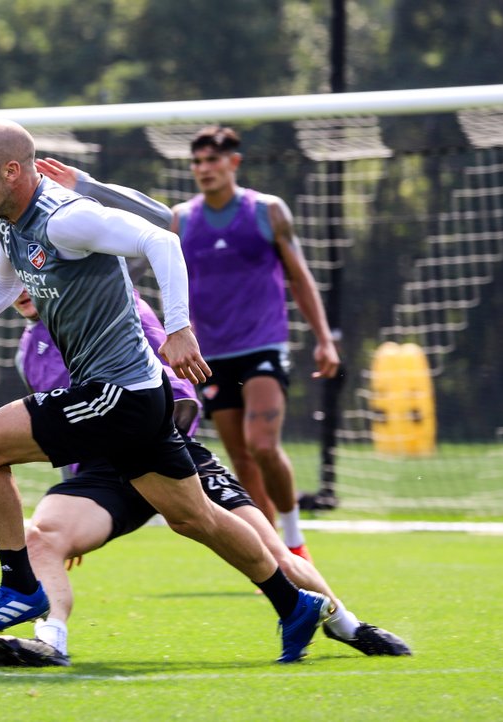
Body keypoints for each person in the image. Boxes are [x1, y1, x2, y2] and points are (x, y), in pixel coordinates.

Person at [0, 120, 330, 664]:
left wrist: (179, 327)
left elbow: (162, 238)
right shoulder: (10, 222)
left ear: (11, 171)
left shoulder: (66, 218)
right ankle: (295, 605)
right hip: (135, 401)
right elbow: (5, 280)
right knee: (198, 519)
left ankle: (20, 585)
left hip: (119, 395)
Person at [0, 263, 410, 667]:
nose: (19, 286)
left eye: (25, 271)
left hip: (167, 449)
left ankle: (346, 625)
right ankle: (50, 641)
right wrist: (76, 504)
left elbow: (170, 377)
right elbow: (65, 425)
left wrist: (172, 426)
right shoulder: (29, 349)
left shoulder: (110, 303)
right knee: (42, 539)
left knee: (272, 553)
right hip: (103, 472)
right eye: (7, 276)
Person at [169, 126, 340, 560]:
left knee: (263, 445)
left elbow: (299, 278)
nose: (203, 169)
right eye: (197, 162)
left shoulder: (267, 211)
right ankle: (272, 554)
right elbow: (176, 287)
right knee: (242, 459)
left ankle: (295, 538)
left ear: (234, 162)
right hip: (212, 356)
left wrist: (324, 339)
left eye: (212, 160)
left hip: (263, 347)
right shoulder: (182, 219)